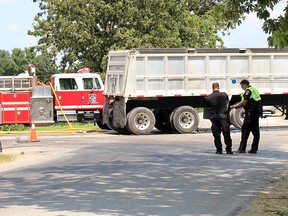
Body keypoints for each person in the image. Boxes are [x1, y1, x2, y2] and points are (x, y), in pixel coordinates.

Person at [231, 79, 262, 154]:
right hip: (256, 112)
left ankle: (242, 149)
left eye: (241, 86)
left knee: (245, 130)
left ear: (244, 85)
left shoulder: (248, 91)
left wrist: (236, 106)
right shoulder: (254, 89)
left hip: (250, 113)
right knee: (255, 131)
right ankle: (254, 149)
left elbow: (245, 102)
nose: (241, 87)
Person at [206, 82, 233, 154]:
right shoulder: (224, 95)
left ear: (212, 88)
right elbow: (227, 102)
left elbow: (208, 107)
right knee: (226, 132)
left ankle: (219, 150)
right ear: (219, 87)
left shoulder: (208, 97)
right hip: (223, 116)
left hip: (214, 117)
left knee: (216, 134)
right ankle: (228, 149)